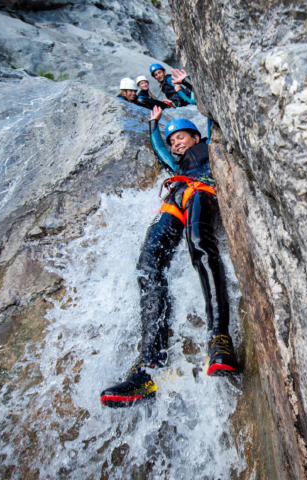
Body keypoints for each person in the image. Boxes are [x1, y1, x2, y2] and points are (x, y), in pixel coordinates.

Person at [100, 105, 237, 408]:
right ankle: (147, 367)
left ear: (196, 135)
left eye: (181, 136)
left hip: (203, 188)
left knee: (200, 245)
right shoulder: (176, 167)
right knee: (148, 266)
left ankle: (219, 340)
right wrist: (154, 126)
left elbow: (218, 115)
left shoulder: (208, 147)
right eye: (173, 139)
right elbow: (161, 149)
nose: (176, 142)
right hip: (175, 199)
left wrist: (191, 84)